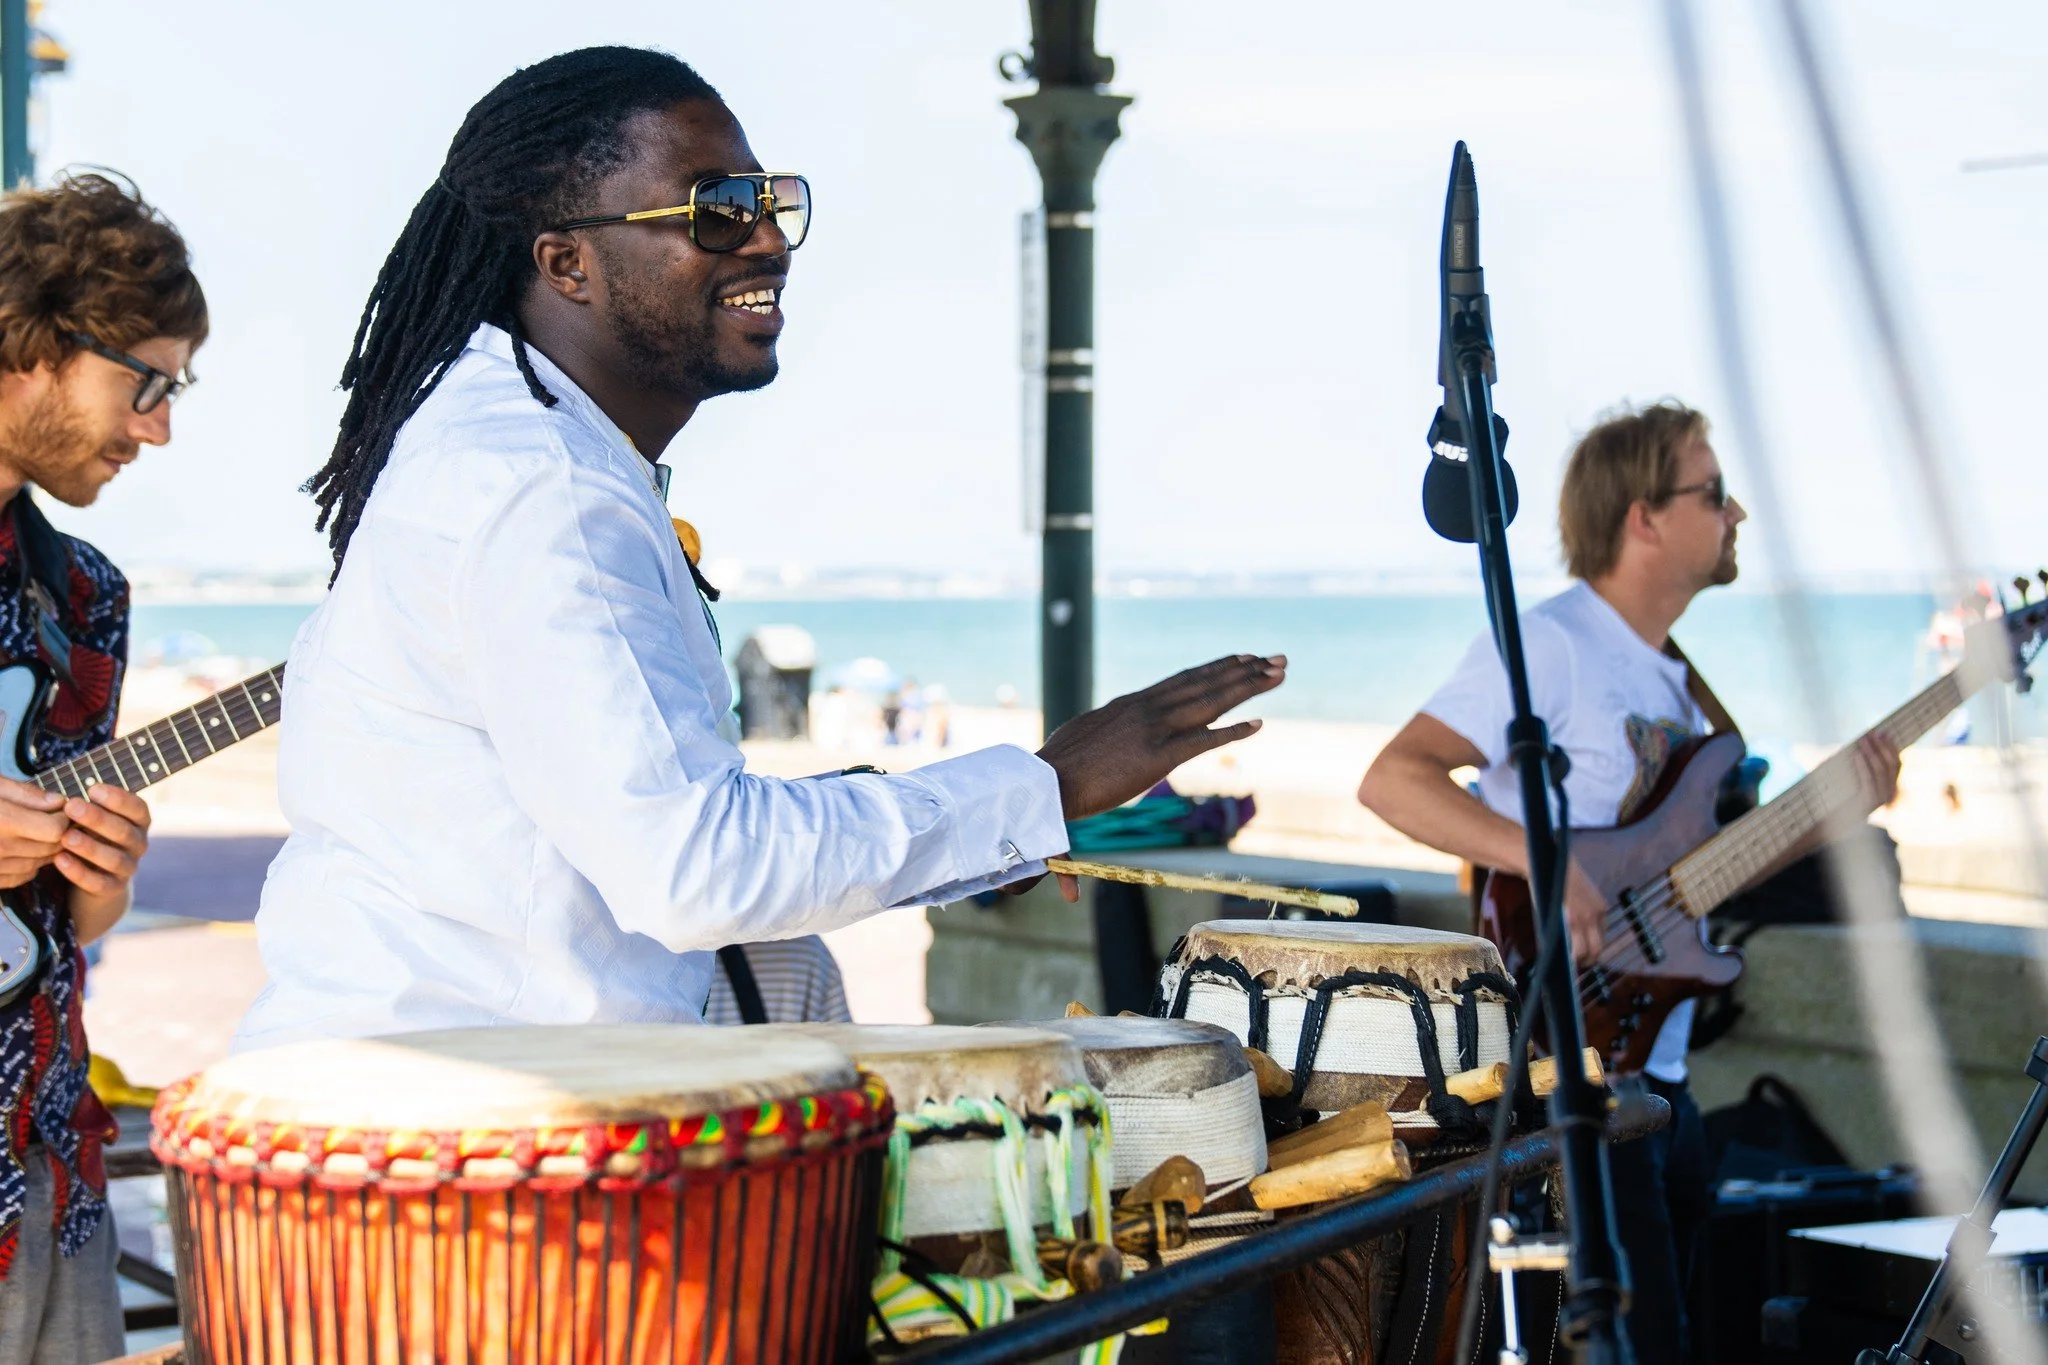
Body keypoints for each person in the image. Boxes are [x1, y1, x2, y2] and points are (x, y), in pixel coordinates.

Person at [235, 48, 1284, 1050]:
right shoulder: (541, 488)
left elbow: (611, 809)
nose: (766, 239)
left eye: (768, 202)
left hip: (438, 1088)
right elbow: (691, 868)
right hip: (458, 1133)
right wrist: (1043, 784)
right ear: (567, 263)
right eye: (715, 211)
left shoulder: (517, 444)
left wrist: (977, 830)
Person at [1357, 401, 1898, 1365]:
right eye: (1713, 493)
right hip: (1579, 1077)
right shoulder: (1558, 645)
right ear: (1643, 516)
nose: (1735, 516)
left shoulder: (1676, 684)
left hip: (1665, 1080)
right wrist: (1548, 858)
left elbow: (1692, 879)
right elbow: (1395, 777)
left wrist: (1837, 808)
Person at [0, 172, 205, 1365]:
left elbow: (60, 926)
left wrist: (101, 877)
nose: (159, 427)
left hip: (51, 1172)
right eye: (147, 381)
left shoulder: (85, 595)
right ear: (33, 343)